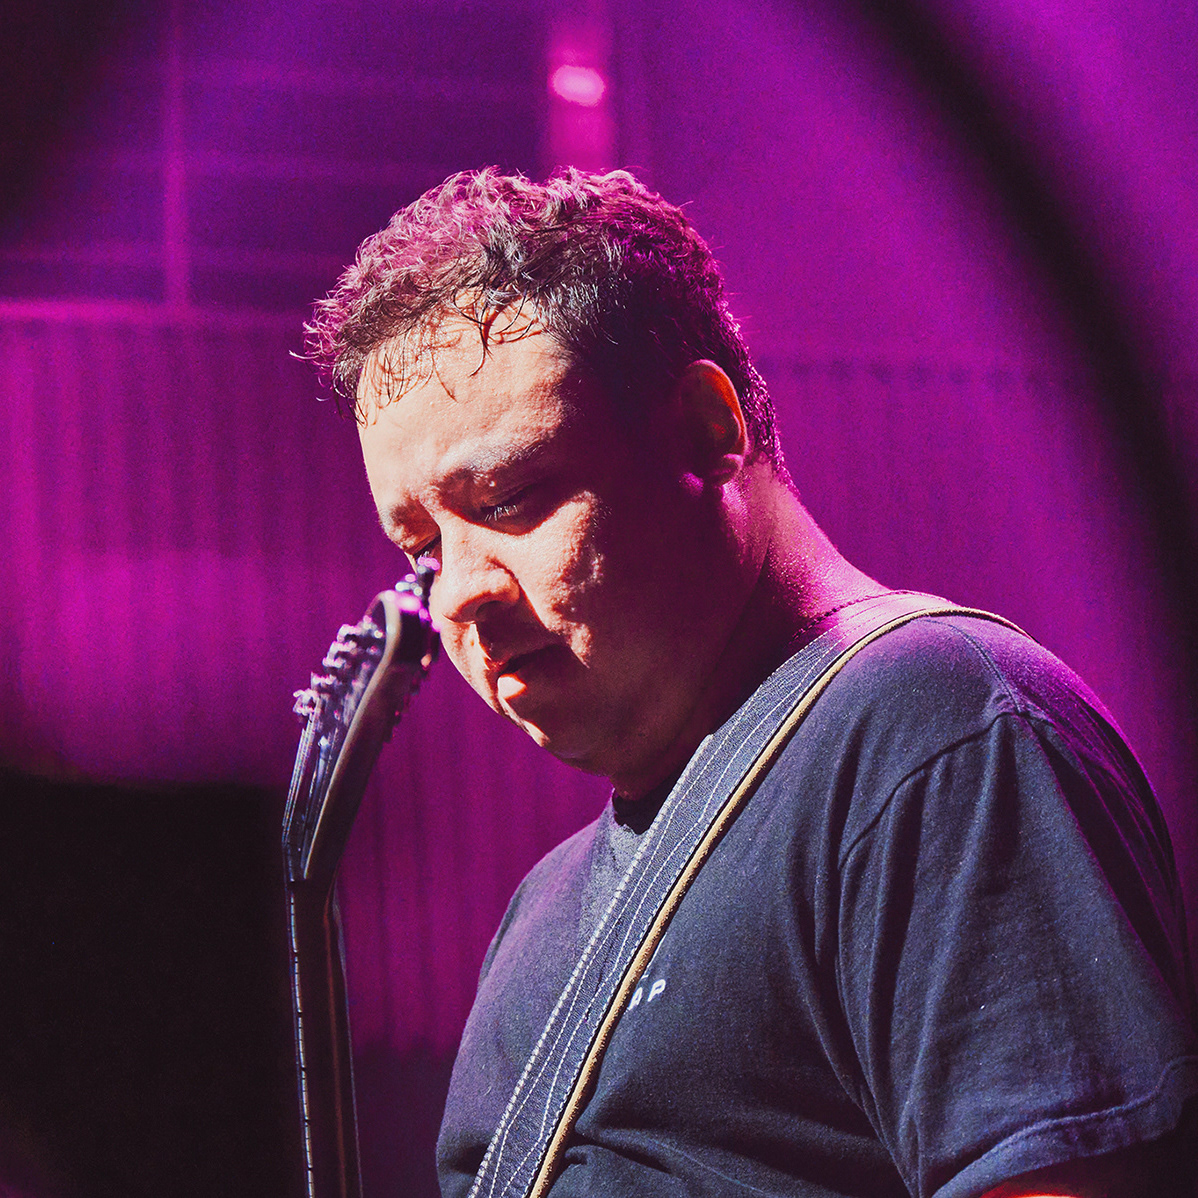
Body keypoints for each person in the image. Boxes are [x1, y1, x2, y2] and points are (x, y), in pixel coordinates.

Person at [305, 167, 1197, 1197]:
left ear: (705, 429)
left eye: (508, 497)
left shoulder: (935, 727)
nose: (456, 592)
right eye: (421, 548)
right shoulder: (540, 911)